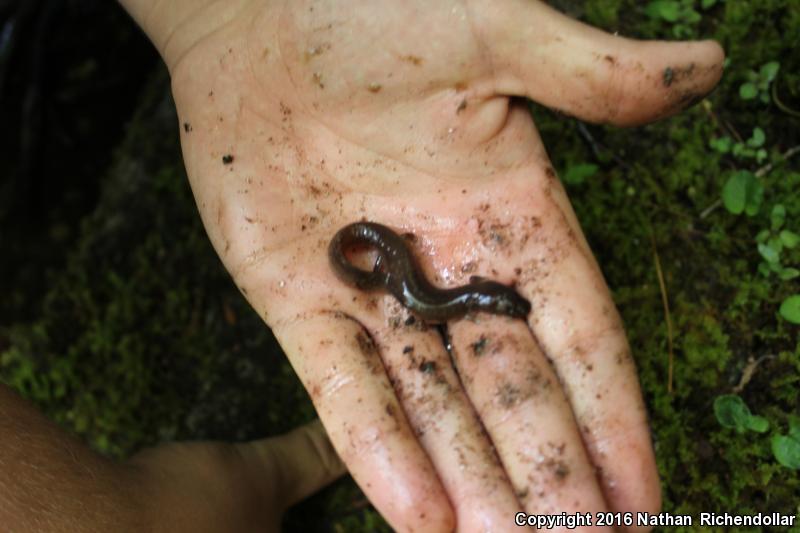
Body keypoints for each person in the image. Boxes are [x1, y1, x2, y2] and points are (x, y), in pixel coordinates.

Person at [1, 0, 725, 531]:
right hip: (397, 271)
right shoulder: (394, 273)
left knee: (453, 295)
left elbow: (431, 289)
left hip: (404, 274)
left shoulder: (408, 280)